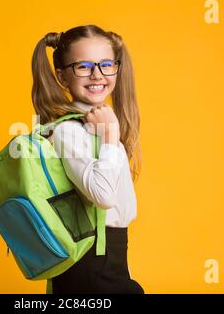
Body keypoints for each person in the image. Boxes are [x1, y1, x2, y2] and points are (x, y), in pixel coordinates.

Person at [30, 24, 144, 294]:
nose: (98, 75)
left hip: (110, 256)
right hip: (90, 263)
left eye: (106, 64)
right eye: (83, 66)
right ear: (62, 76)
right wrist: (110, 135)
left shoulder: (96, 124)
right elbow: (103, 197)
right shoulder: (68, 130)